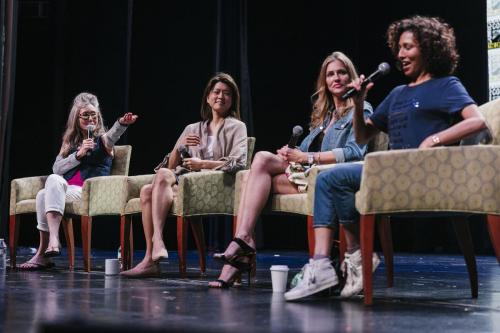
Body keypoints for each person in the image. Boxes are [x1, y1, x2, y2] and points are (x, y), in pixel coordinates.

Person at [284, 15, 487, 301]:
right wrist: (356, 104)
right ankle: (338, 261)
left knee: (332, 179)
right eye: (399, 48)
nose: (400, 55)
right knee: (331, 180)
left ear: (429, 48)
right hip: (393, 174)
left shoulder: (446, 85)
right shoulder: (398, 92)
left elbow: (477, 121)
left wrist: (434, 139)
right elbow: (364, 135)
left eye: (408, 47)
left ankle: (335, 263)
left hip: (424, 174)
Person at [209, 51, 373, 288]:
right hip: (307, 172)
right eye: (330, 74)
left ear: (351, 77)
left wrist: (307, 157)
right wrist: (290, 153)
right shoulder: (325, 115)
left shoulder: (362, 108)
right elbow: (304, 148)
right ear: (324, 81)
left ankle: (240, 252)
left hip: (330, 178)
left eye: (341, 72)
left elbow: (354, 152)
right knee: (259, 168)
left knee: (256, 173)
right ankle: (242, 243)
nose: (336, 78)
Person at [121, 73, 248, 278]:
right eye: (216, 92)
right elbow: (171, 166)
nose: (220, 96)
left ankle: (154, 249)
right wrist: (181, 148)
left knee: (148, 191)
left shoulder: (237, 127)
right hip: (184, 181)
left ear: (232, 100)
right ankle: (151, 255)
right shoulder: (193, 128)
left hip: (212, 185)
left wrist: (203, 164)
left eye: (226, 93)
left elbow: (239, 162)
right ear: (207, 97)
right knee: (147, 189)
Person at [18, 92, 138, 270]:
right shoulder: (69, 143)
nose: (90, 119)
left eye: (94, 115)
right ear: (77, 117)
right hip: (67, 190)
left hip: (89, 192)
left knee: (48, 188)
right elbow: (56, 169)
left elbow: (114, 134)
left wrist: (122, 123)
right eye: (86, 115)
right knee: (44, 192)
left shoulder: (103, 141)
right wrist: (78, 155)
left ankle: (50, 244)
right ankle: (47, 250)